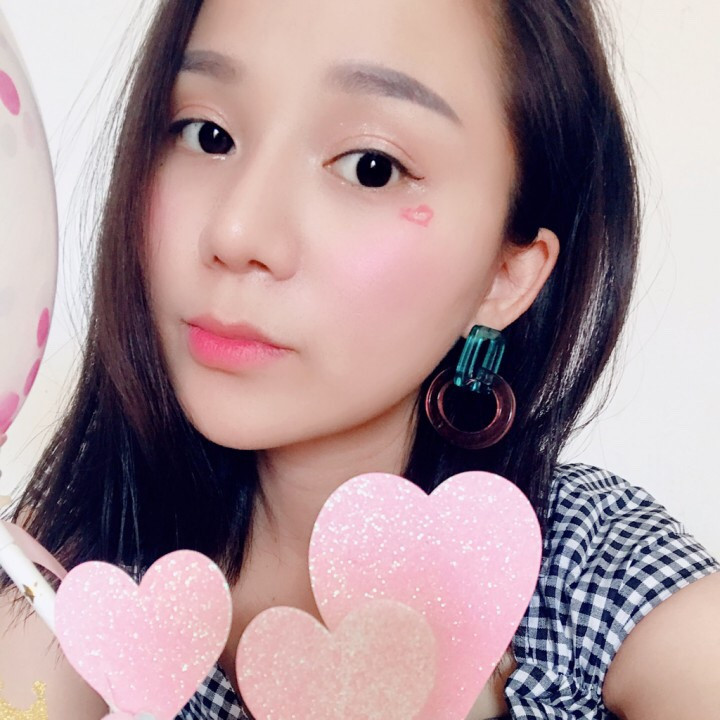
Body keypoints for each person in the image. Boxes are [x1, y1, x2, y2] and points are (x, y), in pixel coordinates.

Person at [1, 0, 718, 718]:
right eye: (208, 134)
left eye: (372, 168)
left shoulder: (598, 581)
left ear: (506, 275)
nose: (237, 231)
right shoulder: (86, 591)